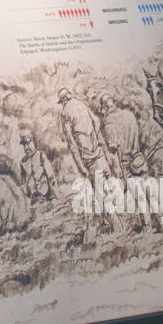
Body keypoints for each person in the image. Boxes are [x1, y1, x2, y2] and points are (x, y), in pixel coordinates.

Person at [59, 88, 122, 241]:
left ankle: (117, 228)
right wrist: (103, 150)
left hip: (90, 160)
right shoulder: (82, 106)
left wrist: (81, 167)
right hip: (100, 154)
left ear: (63, 101)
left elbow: (72, 144)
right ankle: (108, 223)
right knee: (107, 190)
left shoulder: (65, 114)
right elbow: (97, 124)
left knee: (101, 194)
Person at [99, 94, 162, 234]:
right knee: (149, 191)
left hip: (125, 162)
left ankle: (147, 226)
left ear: (104, 107)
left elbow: (112, 146)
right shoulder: (129, 115)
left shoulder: (109, 121)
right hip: (138, 157)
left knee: (138, 194)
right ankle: (162, 223)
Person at [18, 132, 54, 205]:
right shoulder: (23, 161)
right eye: (24, 145)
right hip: (32, 201)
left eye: (28, 144)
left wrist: (54, 197)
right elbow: (23, 183)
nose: (26, 147)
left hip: (46, 198)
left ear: (34, 142)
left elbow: (51, 177)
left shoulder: (41, 155)